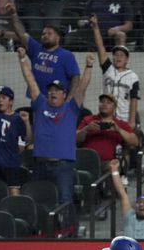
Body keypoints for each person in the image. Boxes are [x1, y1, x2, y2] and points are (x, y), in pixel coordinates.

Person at [18, 46, 93, 205]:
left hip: (62, 166)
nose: (53, 93)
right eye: (51, 90)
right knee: (37, 201)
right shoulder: (40, 104)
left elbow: (82, 87)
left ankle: (68, 231)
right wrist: (23, 59)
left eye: (58, 91)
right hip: (39, 164)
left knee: (65, 201)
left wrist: (89, 66)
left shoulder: (71, 108)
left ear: (64, 94)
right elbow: (30, 80)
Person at [9, 5, 80, 97]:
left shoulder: (67, 55)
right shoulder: (36, 48)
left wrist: (70, 99)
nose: (45, 35)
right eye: (43, 34)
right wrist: (13, 14)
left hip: (58, 101)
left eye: (49, 33)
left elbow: (76, 77)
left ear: (58, 38)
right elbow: (21, 33)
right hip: (37, 99)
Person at [91, 14, 140, 126]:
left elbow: (134, 100)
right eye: (116, 55)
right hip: (106, 118)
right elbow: (100, 47)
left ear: (127, 59)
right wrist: (95, 27)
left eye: (122, 55)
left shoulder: (133, 76)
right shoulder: (108, 69)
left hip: (124, 118)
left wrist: (132, 121)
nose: (118, 57)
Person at [76, 93, 139, 169]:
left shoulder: (120, 124)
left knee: (112, 167)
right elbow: (75, 138)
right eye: (102, 102)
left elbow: (135, 142)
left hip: (109, 163)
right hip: (86, 161)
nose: (104, 104)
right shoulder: (88, 120)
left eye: (108, 103)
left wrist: (118, 130)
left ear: (114, 107)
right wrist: (86, 129)